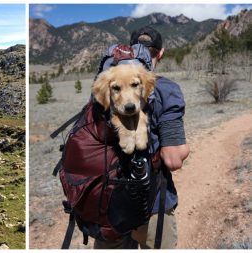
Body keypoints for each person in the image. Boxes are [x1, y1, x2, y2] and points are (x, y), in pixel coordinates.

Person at [94, 26, 190, 249]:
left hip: (108, 201)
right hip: (151, 202)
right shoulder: (167, 89)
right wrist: (184, 148)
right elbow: (173, 160)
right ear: (161, 53)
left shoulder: (107, 83)